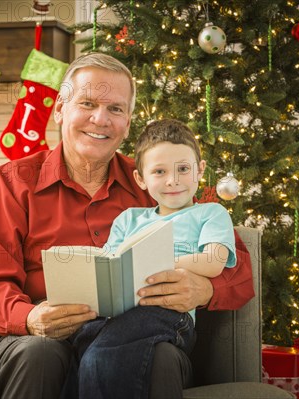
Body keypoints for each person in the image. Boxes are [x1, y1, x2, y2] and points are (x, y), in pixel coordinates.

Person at [0, 53, 254, 399]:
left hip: (137, 330)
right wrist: (31, 318)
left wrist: (204, 290)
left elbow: (238, 265)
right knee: (39, 353)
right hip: (34, 335)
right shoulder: (13, 181)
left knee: (157, 355)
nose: (100, 119)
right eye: (87, 103)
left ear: (128, 122)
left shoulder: (159, 177)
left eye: (116, 109)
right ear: (60, 109)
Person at [61, 119, 237, 397]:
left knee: (98, 355)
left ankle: (94, 352)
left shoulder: (210, 213)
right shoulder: (129, 219)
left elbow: (214, 261)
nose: (173, 180)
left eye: (183, 169)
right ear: (141, 179)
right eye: (159, 171)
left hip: (170, 313)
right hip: (119, 313)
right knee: (90, 335)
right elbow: (110, 262)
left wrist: (157, 260)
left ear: (200, 170)